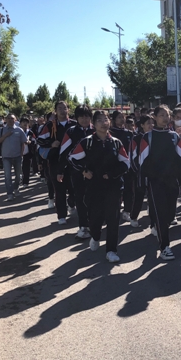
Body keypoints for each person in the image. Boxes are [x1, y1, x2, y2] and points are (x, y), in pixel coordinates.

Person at [69, 110, 130, 263]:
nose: (104, 123)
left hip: (113, 186)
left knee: (113, 218)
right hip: (93, 187)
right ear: (94, 124)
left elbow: (126, 163)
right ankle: (95, 236)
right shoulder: (87, 142)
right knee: (95, 218)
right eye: (100, 120)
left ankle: (111, 250)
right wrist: (85, 171)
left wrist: (112, 174)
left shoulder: (116, 142)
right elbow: (72, 158)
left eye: (106, 120)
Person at [136, 105, 181, 261]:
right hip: (155, 182)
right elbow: (142, 162)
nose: (165, 118)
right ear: (155, 117)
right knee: (160, 213)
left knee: (170, 214)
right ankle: (164, 247)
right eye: (161, 115)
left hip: (172, 181)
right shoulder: (148, 137)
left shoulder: (174, 137)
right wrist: (142, 182)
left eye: (167, 115)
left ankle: (160, 230)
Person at [58, 105, 95, 239]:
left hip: (95, 171)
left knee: (94, 198)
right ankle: (83, 226)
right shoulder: (71, 132)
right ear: (77, 118)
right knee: (80, 198)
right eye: (81, 117)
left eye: (87, 117)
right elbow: (64, 153)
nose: (85, 120)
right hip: (77, 171)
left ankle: (94, 224)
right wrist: (60, 170)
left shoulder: (96, 130)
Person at [38, 101, 77, 224]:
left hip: (72, 161)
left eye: (64, 108)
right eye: (59, 108)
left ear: (68, 110)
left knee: (74, 188)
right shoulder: (50, 126)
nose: (62, 110)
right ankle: (61, 215)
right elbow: (40, 140)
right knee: (59, 189)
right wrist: (51, 144)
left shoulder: (74, 125)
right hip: (55, 161)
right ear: (55, 111)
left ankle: (71, 203)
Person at [109, 110, 135, 222]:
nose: (121, 119)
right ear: (114, 120)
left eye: (122, 117)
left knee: (129, 189)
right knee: (116, 190)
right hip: (115, 166)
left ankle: (127, 211)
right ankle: (113, 211)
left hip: (127, 165)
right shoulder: (110, 133)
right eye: (119, 117)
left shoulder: (129, 133)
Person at [0, 114, 27, 201]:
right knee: (7, 176)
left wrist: (21, 154)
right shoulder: (2, 130)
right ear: (5, 120)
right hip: (6, 157)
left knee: (18, 176)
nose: (10, 120)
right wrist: (5, 136)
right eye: (8, 118)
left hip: (17, 157)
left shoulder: (19, 130)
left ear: (15, 120)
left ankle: (16, 188)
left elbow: (23, 142)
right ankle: (9, 193)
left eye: (12, 118)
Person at [129, 114, 153, 228]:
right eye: (148, 123)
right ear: (142, 125)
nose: (151, 125)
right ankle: (133, 216)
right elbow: (132, 157)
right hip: (140, 173)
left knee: (153, 195)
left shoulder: (155, 136)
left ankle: (153, 221)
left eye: (152, 123)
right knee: (139, 195)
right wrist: (137, 171)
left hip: (154, 172)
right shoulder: (136, 138)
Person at [19, 117, 37, 189]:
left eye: (26, 122)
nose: (25, 123)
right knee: (19, 168)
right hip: (18, 153)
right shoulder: (17, 131)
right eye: (23, 122)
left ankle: (25, 182)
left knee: (26, 168)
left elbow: (34, 141)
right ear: (20, 124)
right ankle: (19, 179)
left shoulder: (30, 132)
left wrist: (30, 142)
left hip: (28, 153)